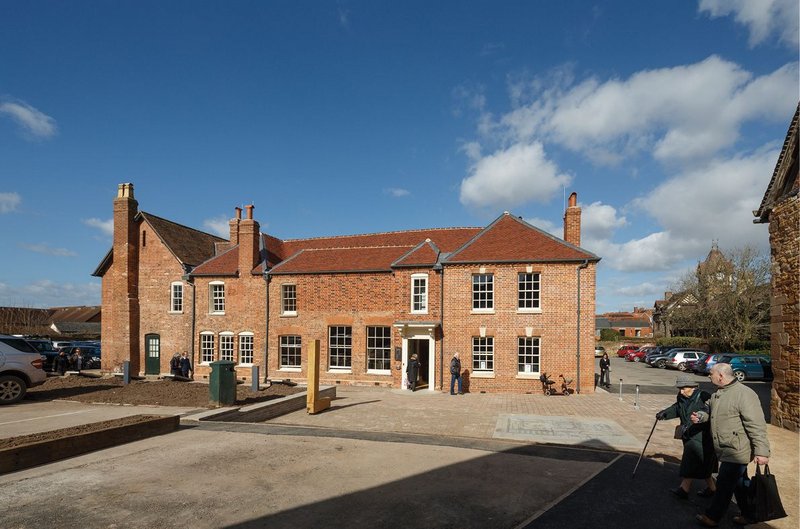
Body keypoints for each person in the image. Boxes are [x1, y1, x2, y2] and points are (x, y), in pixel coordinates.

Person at [691, 362, 770, 527]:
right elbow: (709, 411)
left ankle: (712, 517)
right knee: (740, 484)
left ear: (721, 376)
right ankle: (749, 514)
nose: (709, 376)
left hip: (737, 450)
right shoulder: (719, 393)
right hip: (725, 447)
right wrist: (700, 416)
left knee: (724, 484)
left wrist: (762, 451)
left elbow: (756, 424)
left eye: (710, 373)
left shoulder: (745, 394)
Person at [656, 373, 717, 500]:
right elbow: (677, 408)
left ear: (693, 387)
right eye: (680, 389)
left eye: (684, 388)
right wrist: (664, 413)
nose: (681, 391)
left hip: (702, 435)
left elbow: (712, 412)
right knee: (702, 463)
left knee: (690, 461)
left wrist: (701, 417)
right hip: (688, 433)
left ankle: (684, 489)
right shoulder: (681, 397)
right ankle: (713, 489)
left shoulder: (704, 396)